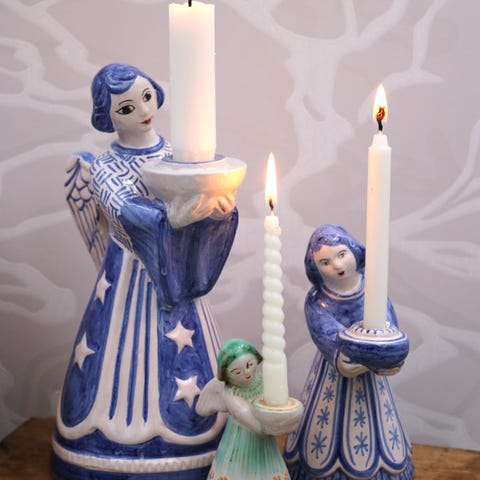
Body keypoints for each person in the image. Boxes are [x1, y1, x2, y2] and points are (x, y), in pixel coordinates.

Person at [53, 63, 238, 480]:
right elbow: (125, 211)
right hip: (130, 276)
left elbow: (201, 206)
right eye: (126, 107)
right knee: (119, 363)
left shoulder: (179, 155)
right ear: (107, 117)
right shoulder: (104, 168)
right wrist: (173, 216)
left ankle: (203, 438)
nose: (143, 111)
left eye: (147, 97)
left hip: (177, 277)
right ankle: (114, 443)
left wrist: (218, 212)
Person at [284, 224, 413, 480]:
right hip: (332, 375)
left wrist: (389, 354)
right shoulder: (317, 300)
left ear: (354, 250)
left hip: (373, 378)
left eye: (341, 254)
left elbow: (389, 324)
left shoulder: (373, 290)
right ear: (315, 268)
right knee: (324, 435)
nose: (337, 265)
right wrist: (343, 356)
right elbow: (324, 333)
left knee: (379, 429)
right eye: (325, 262)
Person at [196, 338, 296, 480]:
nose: (246, 373)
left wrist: (284, 416)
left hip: (266, 439)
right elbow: (243, 414)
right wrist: (268, 427)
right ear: (226, 375)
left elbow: (277, 401)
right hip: (241, 437)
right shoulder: (230, 393)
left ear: (256, 358)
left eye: (250, 365)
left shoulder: (264, 381)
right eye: (236, 372)